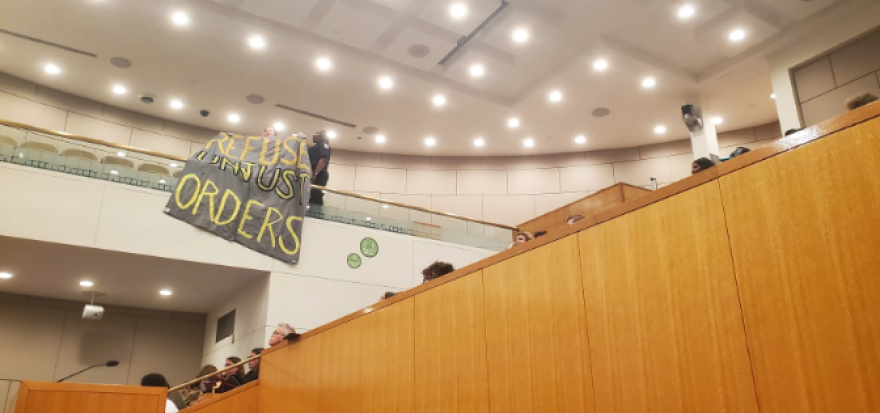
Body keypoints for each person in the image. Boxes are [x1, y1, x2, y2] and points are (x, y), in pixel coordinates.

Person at [308, 130, 332, 206]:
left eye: (316, 133)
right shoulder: (315, 147)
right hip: (313, 173)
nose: (313, 135)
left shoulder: (323, 145)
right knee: (310, 196)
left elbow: (324, 159)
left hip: (319, 174)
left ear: (322, 136)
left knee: (315, 196)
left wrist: (315, 173)